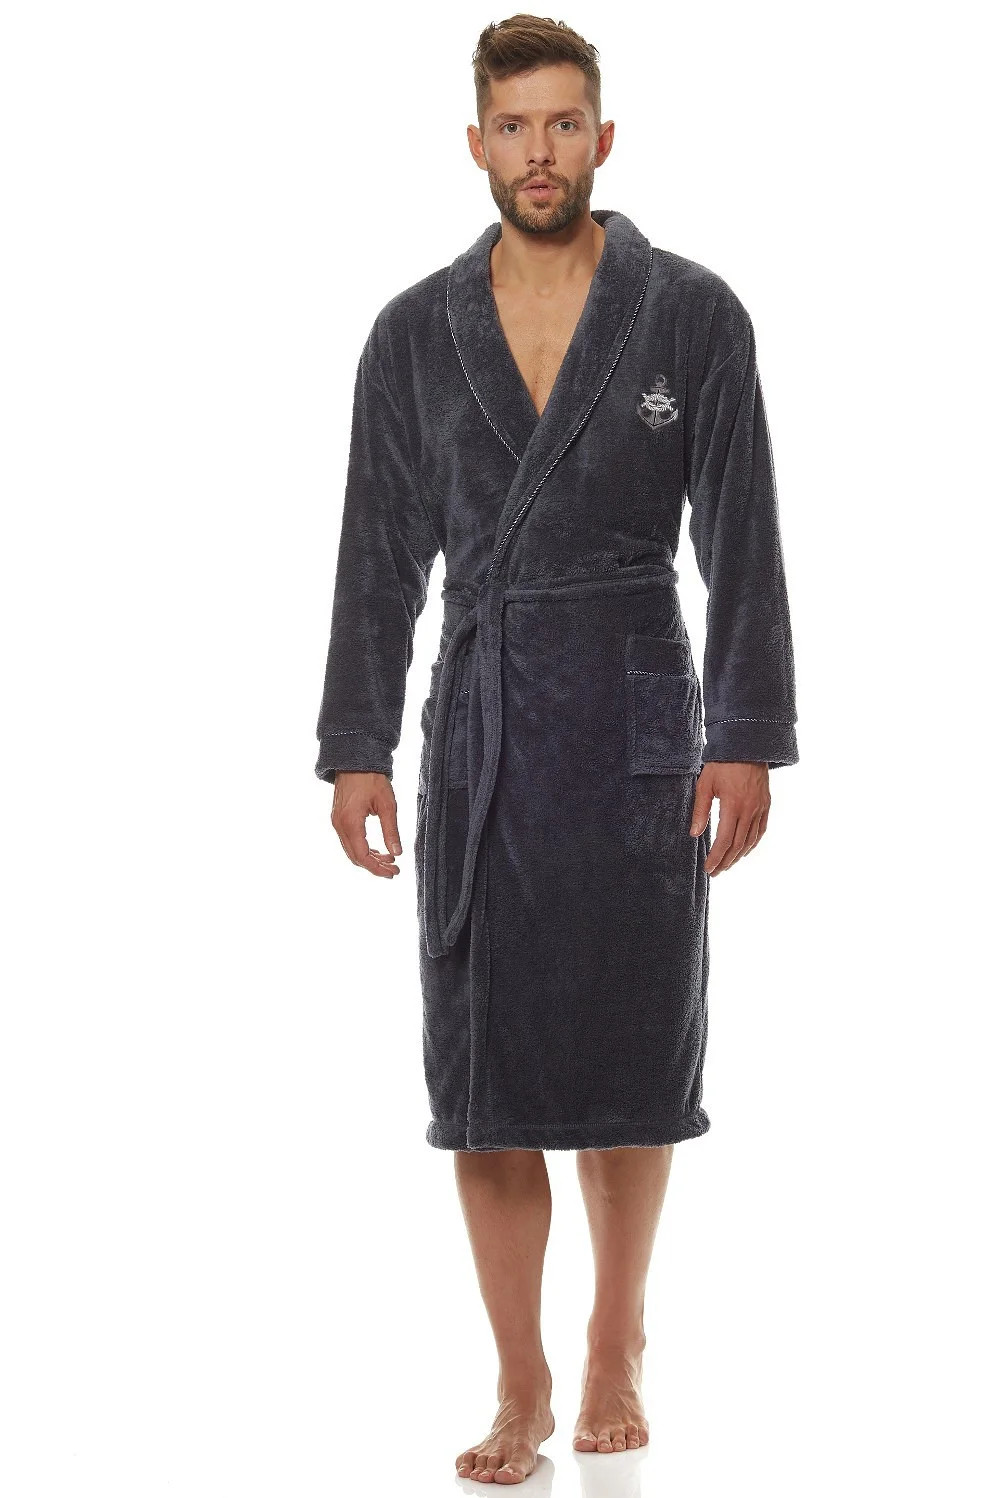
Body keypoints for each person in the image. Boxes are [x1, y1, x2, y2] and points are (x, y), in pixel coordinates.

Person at [314, 14, 799, 1484]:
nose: (541, 152)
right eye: (515, 127)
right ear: (476, 144)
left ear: (605, 137)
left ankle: (615, 1337)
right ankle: (520, 1375)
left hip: (636, 722)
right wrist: (356, 743)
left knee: (631, 1051)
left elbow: (743, 535)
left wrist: (746, 733)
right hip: (486, 725)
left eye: (565, 123)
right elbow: (378, 552)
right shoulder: (413, 333)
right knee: (485, 1070)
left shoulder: (693, 314)